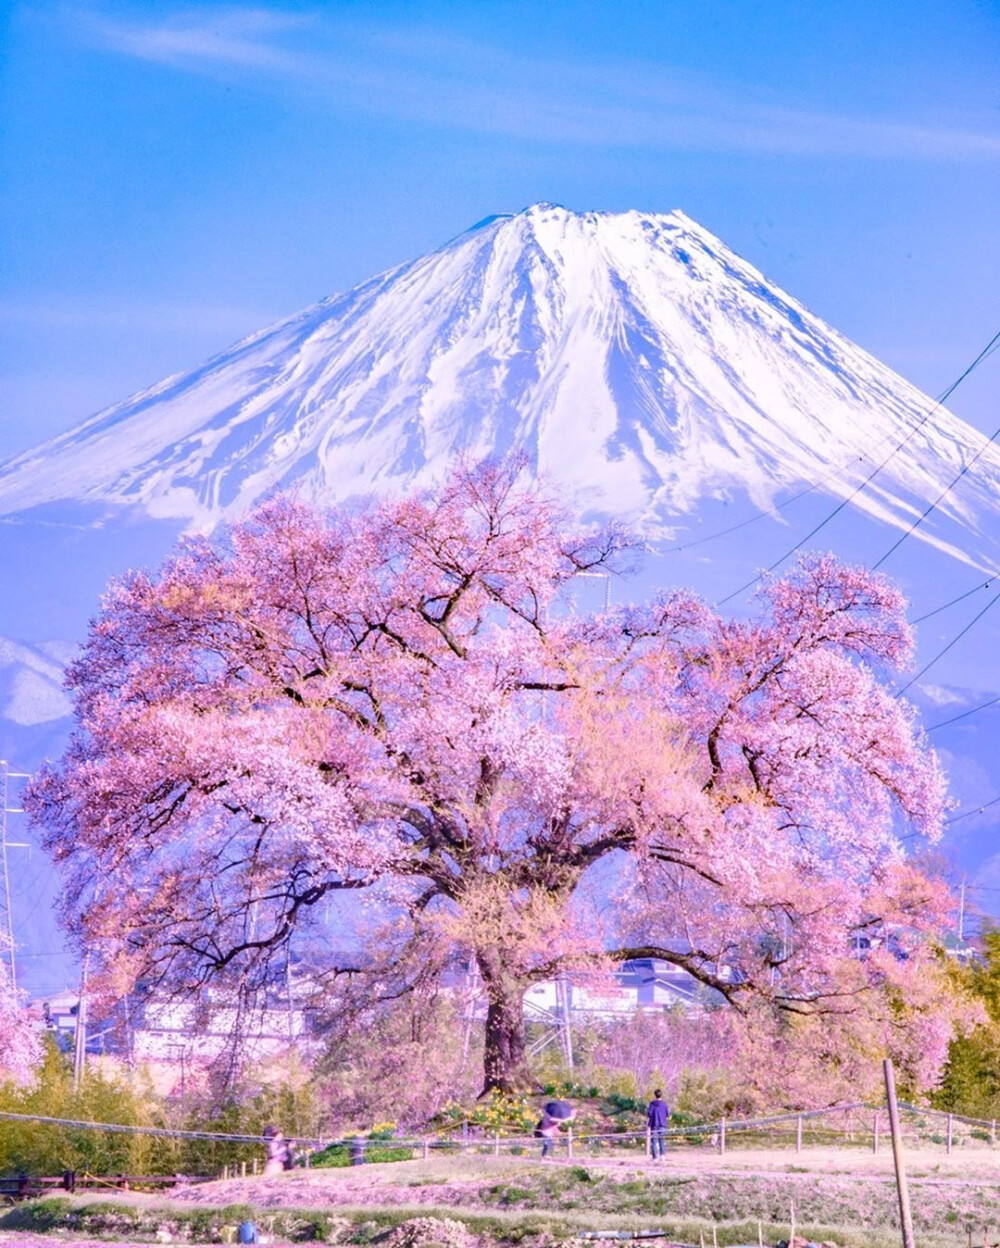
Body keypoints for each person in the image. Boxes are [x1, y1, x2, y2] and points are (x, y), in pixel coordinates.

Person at [647, 1088, 669, 1161]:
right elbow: (667, 1114)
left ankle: (655, 1157)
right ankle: (662, 1156)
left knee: (654, 1141)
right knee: (662, 1140)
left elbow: (649, 1114)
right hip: (662, 1124)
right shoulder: (664, 1104)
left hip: (654, 1124)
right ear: (661, 1095)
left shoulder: (652, 1104)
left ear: (655, 1095)